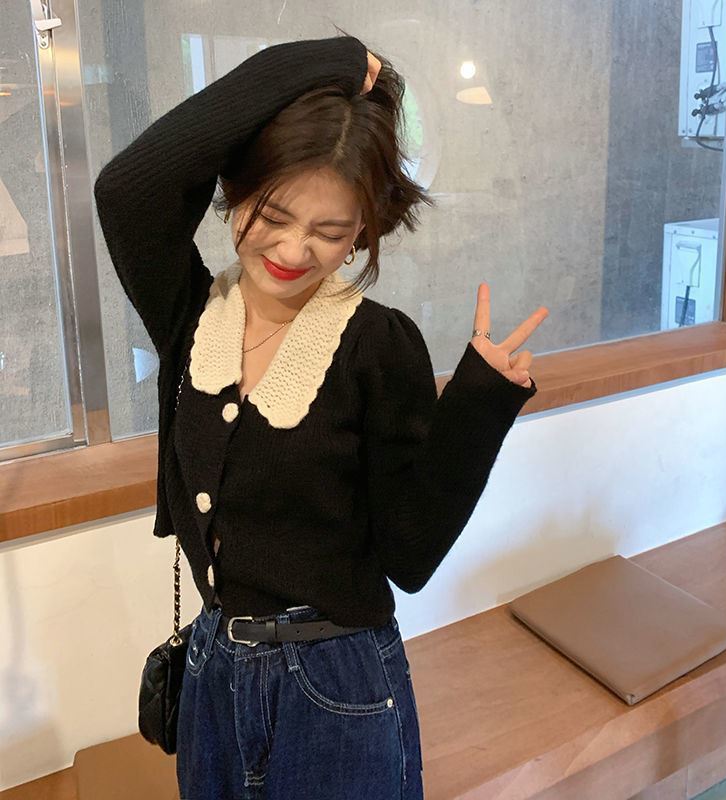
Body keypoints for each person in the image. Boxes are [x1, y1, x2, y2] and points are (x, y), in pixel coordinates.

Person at [93, 29, 548, 800]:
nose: (292, 250)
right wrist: (317, 66)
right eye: (272, 215)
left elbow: (410, 554)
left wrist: (478, 407)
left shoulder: (378, 344)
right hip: (213, 669)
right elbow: (126, 189)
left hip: (335, 684)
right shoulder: (191, 314)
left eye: (330, 233)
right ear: (235, 189)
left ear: (363, 232)